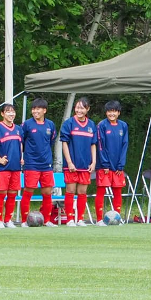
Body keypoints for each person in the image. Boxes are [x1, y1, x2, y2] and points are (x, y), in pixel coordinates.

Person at [20, 98, 58, 225]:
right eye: (33, 109)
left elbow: (51, 141)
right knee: (28, 191)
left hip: (46, 164)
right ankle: (25, 221)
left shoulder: (50, 125)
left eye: (38, 108)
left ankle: (46, 220)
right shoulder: (27, 124)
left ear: (44, 110)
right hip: (31, 163)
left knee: (47, 192)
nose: (35, 111)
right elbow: (21, 141)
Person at [60, 97, 98, 226]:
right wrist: (69, 162)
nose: (79, 110)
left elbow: (93, 144)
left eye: (82, 108)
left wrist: (93, 162)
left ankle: (80, 219)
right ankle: (70, 219)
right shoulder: (68, 123)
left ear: (87, 109)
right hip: (72, 165)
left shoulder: (92, 125)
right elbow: (64, 143)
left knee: (82, 192)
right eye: (77, 107)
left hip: (85, 164)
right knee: (70, 191)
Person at [0, 103, 24, 228]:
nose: (11, 114)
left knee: (13, 194)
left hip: (16, 167)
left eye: (13, 111)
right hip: (2, 168)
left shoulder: (19, 129)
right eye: (8, 111)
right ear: (2, 114)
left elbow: (21, 144)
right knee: (1, 193)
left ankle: (8, 220)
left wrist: (22, 157)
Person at [95, 100, 129, 220]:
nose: (112, 114)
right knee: (101, 191)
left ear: (118, 113)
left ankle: (117, 218)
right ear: (106, 113)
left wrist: (121, 164)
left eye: (114, 111)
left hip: (117, 166)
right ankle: (99, 219)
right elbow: (100, 145)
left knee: (117, 191)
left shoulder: (123, 126)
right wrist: (105, 164)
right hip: (104, 166)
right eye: (109, 111)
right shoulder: (101, 125)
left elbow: (125, 145)